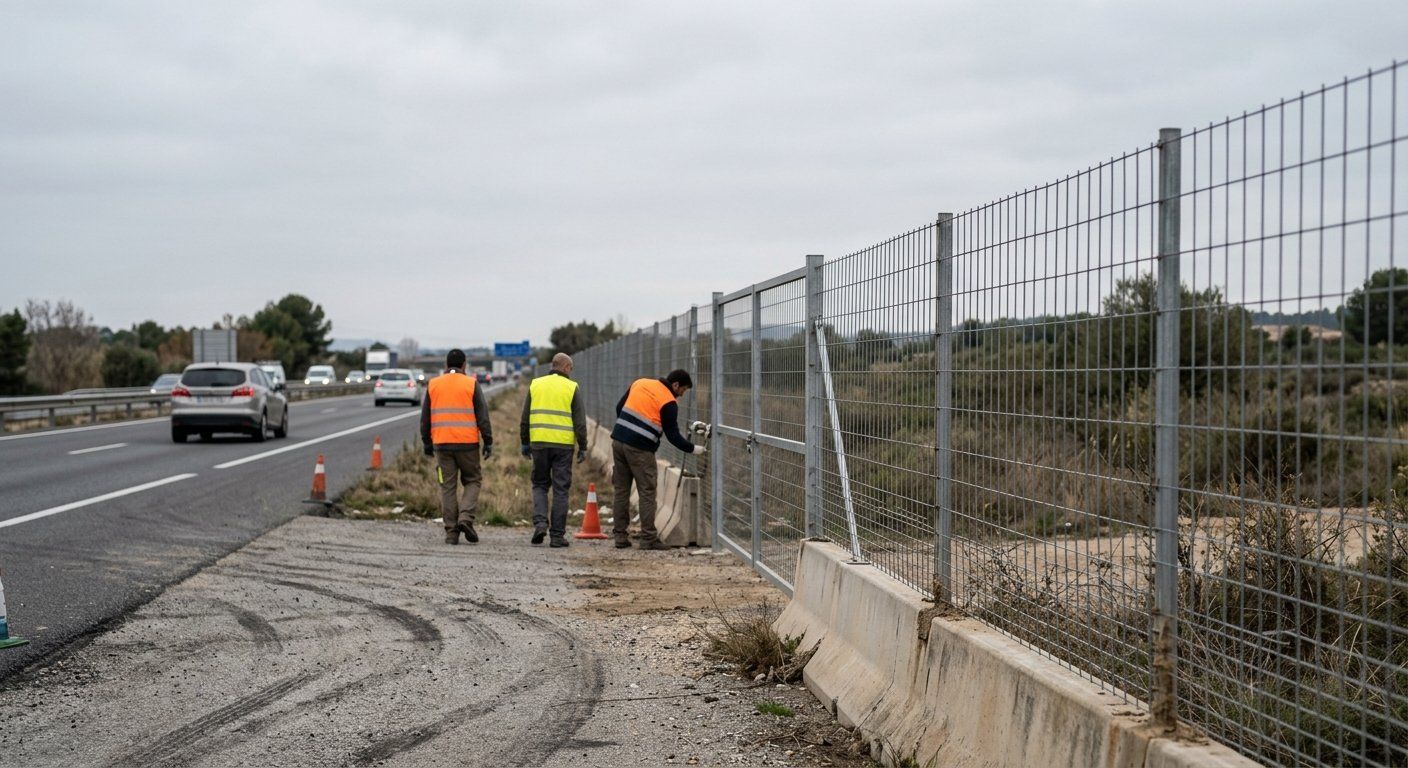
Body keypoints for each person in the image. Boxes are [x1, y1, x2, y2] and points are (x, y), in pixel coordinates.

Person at [609, 369, 706, 550]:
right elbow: (673, 436)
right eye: (683, 390)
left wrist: (627, 430)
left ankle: (620, 537)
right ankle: (648, 539)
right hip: (640, 449)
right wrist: (694, 449)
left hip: (618, 442)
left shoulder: (640, 382)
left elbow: (618, 408)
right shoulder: (668, 402)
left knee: (621, 490)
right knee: (647, 491)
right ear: (675, 385)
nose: (682, 395)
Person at [421, 349, 493, 545]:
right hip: (468, 444)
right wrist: (488, 441)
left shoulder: (433, 384)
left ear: (446, 365)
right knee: (473, 480)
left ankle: (451, 533)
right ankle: (465, 518)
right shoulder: (471, 383)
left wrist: (427, 443)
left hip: (442, 445)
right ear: (464, 365)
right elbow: (483, 416)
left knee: (448, 487)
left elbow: (425, 418)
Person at [520, 353, 588, 548]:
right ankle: (557, 536)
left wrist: (525, 442)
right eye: (571, 368)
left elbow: (525, 418)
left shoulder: (536, 384)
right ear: (566, 367)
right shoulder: (572, 387)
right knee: (561, 490)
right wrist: (583, 446)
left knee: (540, 484)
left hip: (539, 443)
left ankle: (540, 523)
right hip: (563, 446)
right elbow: (580, 422)